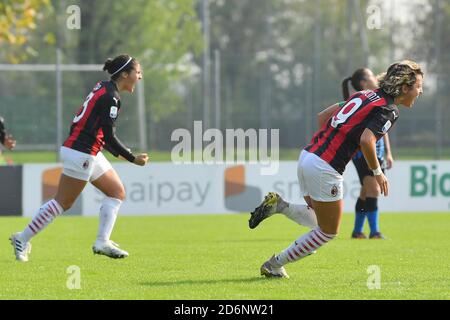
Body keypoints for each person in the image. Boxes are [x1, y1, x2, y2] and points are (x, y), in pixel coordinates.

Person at [249, 60, 423, 278]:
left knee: (316, 221)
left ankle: (280, 206)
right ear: (405, 87)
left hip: (308, 156)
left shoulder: (364, 95)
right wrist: (377, 173)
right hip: (324, 166)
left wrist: (332, 143)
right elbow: (367, 140)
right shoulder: (390, 109)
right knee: (328, 232)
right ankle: (274, 264)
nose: (420, 91)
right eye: (418, 86)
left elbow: (322, 117)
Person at [10, 54, 149, 262]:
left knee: (116, 192)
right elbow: (109, 137)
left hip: (86, 150)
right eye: (137, 72)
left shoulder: (103, 87)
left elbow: (102, 133)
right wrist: (132, 158)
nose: (140, 77)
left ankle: (102, 241)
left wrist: (117, 151)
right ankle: (22, 237)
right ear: (125, 74)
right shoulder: (111, 98)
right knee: (62, 203)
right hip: (82, 152)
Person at [341, 69, 394, 239]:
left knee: (366, 191)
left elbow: (383, 129)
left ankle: (357, 231)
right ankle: (375, 231)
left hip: (375, 152)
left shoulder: (377, 100)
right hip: (363, 152)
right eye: (372, 75)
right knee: (374, 189)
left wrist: (388, 152)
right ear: (364, 83)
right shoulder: (365, 101)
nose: (376, 77)